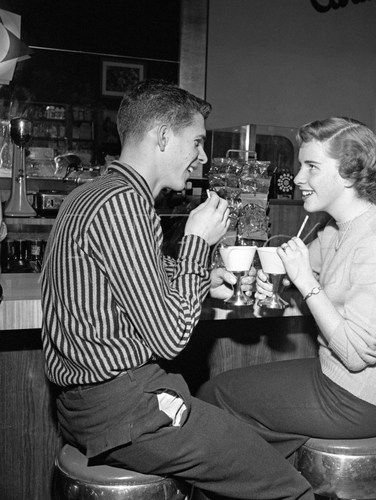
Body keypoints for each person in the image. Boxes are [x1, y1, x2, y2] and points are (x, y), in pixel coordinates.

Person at [41, 80, 314, 500]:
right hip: (124, 410)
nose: (202, 157)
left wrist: (202, 278)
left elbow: (133, 275)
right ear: (163, 136)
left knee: (267, 441)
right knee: (290, 488)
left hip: (89, 407)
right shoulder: (123, 206)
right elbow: (170, 338)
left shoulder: (91, 194)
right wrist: (196, 242)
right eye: (198, 142)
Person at [198, 117, 376, 460]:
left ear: (349, 173)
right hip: (333, 378)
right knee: (226, 391)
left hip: (358, 400)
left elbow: (355, 354)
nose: (299, 178)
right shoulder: (335, 228)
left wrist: (305, 282)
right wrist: (278, 277)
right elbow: (298, 271)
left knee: (215, 396)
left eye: (312, 167)